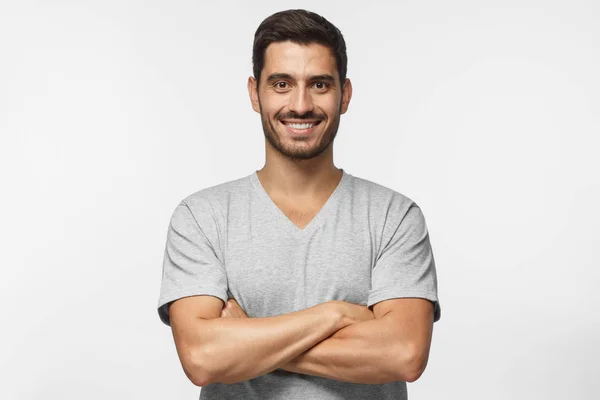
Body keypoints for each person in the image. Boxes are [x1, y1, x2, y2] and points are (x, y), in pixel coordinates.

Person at [157, 9, 441, 400]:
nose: (301, 104)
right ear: (255, 94)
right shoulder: (202, 218)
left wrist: (248, 339)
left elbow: (404, 354)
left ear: (346, 95)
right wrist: (336, 314)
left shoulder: (394, 217)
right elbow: (203, 358)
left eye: (320, 84)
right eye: (282, 84)